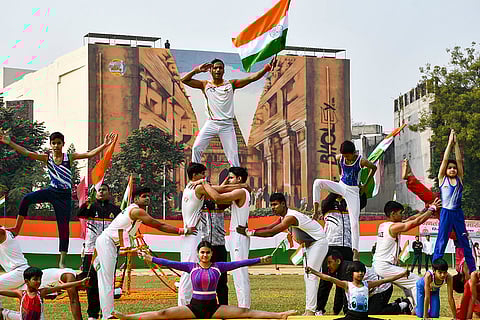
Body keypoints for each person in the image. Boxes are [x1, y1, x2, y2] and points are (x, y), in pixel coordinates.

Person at [0, 130, 116, 268]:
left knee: (63, 227)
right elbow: (27, 152)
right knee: (26, 198)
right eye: (53, 143)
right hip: (51, 191)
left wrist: (104, 145)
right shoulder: (47, 158)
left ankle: (62, 260)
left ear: (63, 144)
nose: (56, 146)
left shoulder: (69, 157)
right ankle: (17, 228)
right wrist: (10, 142)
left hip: (64, 196)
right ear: (50, 145)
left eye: (58, 143)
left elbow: (89, 154)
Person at [111, 241, 297, 320]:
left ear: (211, 254)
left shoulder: (219, 267)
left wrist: (259, 260)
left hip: (214, 308)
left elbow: (241, 262)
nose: (205, 255)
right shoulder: (191, 267)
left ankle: (279, 315)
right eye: (202, 252)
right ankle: (128, 318)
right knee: (163, 314)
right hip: (194, 307)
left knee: (245, 312)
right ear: (198, 254)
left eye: (208, 252)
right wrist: (151, 259)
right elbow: (169, 262)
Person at [94, 187, 197, 320]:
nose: (147, 198)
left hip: (110, 244)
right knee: (107, 281)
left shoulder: (134, 210)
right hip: (106, 243)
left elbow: (128, 233)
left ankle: (105, 312)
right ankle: (107, 316)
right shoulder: (137, 211)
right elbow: (158, 225)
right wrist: (182, 230)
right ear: (136, 199)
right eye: (144, 196)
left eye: (148, 196)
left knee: (106, 280)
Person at [237, 192, 328, 316]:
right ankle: (310, 309)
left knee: (311, 275)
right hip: (309, 245)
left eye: (275, 204)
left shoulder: (290, 217)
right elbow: (268, 227)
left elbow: (272, 232)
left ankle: (311, 311)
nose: (272, 207)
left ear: (283, 204)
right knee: (307, 276)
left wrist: (250, 233)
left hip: (319, 242)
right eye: (271, 205)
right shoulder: (284, 217)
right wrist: (250, 231)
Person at [181, 58, 276, 166]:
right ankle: (196, 176)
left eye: (220, 68)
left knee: (233, 155)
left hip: (227, 125)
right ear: (210, 70)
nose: (217, 70)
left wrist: (266, 69)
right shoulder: (205, 85)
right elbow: (184, 80)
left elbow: (251, 78)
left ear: (223, 70)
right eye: (215, 68)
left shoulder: (231, 84)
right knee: (197, 148)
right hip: (211, 123)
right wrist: (196, 70)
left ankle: (236, 178)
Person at [0, 226, 84, 320]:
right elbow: (73, 300)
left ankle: (4, 314)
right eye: (84, 287)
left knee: (33, 311)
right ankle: (3, 313)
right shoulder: (70, 275)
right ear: (80, 277)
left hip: (30, 282)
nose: (83, 290)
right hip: (27, 279)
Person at [313, 140, 377, 260]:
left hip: (353, 191)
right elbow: (340, 169)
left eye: (348, 155)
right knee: (317, 183)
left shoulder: (361, 161)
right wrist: (340, 176)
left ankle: (356, 252)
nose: (346, 158)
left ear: (353, 153)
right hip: (342, 185)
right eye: (344, 155)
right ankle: (315, 211)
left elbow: (374, 168)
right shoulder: (339, 157)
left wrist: (365, 185)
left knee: (354, 222)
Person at [372, 199, 440, 307]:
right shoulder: (394, 227)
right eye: (400, 213)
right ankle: (421, 311)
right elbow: (415, 222)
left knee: (406, 284)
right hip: (384, 266)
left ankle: (413, 308)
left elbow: (412, 218)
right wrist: (432, 209)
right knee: (416, 281)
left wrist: (425, 209)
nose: (402, 216)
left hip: (379, 265)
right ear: (393, 214)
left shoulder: (384, 225)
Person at [201, 167, 252, 308]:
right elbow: (221, 191)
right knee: (238, 274)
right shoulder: (242, 189)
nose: (229, 181)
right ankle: (243, 307)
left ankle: (244, 308)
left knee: (239, 274)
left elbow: (218, 197)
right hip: (236, 235)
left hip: (238, 236)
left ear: (239, 179)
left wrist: (204, 184)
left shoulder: (241, 192)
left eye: (231, 178)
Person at [316, 250, 412, 316]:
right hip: (376, 289)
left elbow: (343, 295)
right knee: (364, 312)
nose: (328, 266)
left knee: (373, 313)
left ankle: (403, 305)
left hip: (383, 289)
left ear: (338, 261)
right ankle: (397, 303)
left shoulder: (347, 271)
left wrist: (342, 313)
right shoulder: (343, 268)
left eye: (329, 262)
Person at [433, 129, 476, 273]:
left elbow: (459, 160)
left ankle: (472, 269)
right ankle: (435, 269)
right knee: (441, 241)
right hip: (446, 212)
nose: (452, 169)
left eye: (454, 168)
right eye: (449, 168)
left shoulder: (459, 179)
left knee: (464, 242)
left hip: (457, 213)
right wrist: (449, 144)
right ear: (445, 170)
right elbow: (445, 160)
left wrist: (456, 145)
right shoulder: (442, 179)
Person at [77, 183, 121, 320]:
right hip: (91, 250)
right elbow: (80, 214)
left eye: (104, 190)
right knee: (91, 282)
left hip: (109, 251)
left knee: (108, 282)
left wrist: (119, 247)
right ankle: (92, 314)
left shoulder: (116, 210)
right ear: (95, 193)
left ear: (109, 192)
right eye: (99, 190)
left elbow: (121, 230)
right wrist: (86, 203)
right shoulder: (91, 207)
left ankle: (106, 312)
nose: (101, 192)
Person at [0, 267, 88, 320]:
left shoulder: (42, 292)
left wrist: (80, 283)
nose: (38, 282)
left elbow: (62, 286)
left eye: (39, 279)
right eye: (35, 279)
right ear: (26, 281)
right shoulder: (21, 293)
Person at [315, 193, 352, 315]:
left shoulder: (350, 203)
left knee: (345, 280)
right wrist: (337, 188)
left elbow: (362, 200)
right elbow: (325, 202)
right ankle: (319, 308)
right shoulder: (328, 205)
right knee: (326, 280)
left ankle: (338, 310)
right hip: (331, 245)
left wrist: (351, 190)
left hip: (347, 246)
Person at [199, 200, 229, 305]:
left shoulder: (219, 200)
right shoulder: (198, 202)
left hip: (219, 244)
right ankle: (206, 306)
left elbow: (227, 202)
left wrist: (215, 203)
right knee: (204, 278)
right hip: (204, 245)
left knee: (221, 280)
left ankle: (224, 307)